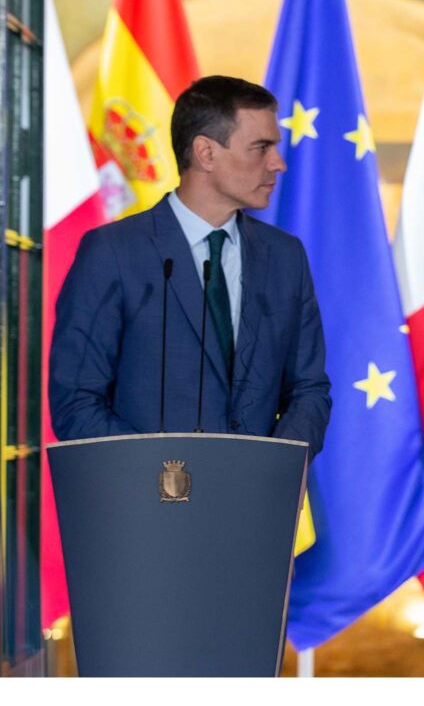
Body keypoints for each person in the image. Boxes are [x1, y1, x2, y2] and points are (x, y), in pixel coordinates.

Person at [50, 75, 331, 456]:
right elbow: (77, 402)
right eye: (261, 147)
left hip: (256, 506)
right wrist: (167, 477)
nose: (278, 164)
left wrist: (274, 469)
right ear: (206, 153)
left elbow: (308, 389)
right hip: (148, 506)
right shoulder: (113, 252)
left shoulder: (285, 257)